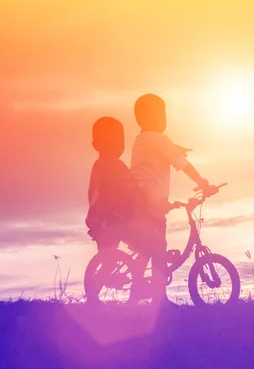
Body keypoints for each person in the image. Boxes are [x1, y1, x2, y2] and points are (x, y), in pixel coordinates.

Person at [130, 93, 218, 305]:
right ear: (150, 117)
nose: (164, 119)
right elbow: (182, 165)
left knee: (144, 249)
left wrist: (174, 148)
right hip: (151, 203)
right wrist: (203, 182)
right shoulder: (160, 139)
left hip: (139, 201)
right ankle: (159, 299)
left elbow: (159, 152)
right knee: (158, 247)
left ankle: (135, 295)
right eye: (161, 114)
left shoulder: (141, 139)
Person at [85, 116, 134, 253]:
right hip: (112, 218)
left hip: (100, 218)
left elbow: (93, 194)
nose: (119, 145)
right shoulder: (114, 165)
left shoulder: (99, 165)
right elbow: (130, 187)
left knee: (106, 254)